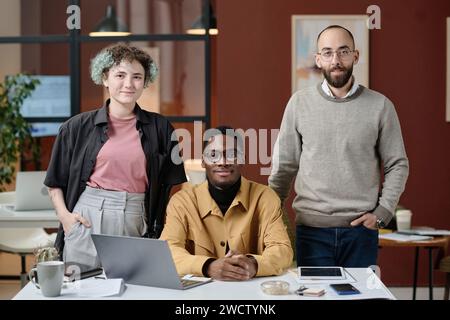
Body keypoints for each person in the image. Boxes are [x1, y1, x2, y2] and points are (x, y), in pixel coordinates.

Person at [269, 25, 409, 268]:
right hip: (311, 233)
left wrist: (383, 212)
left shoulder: (381, 106)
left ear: (356, 56)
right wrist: (269, 214)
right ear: (318, 59)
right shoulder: (299, 104)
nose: (336, 60)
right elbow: (284, 166)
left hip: (361, 233)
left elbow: (397, 164)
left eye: (343, 52)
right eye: (328, 52)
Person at [44, 43, 186, 268]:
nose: (129, 84)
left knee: (134, 289)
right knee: (83, 291)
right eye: (120, 75)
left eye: (137, 77)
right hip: (86, 218)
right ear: (105, 78)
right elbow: (54, 182)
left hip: (137, 217)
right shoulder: (76, 127)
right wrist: (65, 218)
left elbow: (171, 186)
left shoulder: (161, 128)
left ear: (145, 82)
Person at [160, 126, 293, 281]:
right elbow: (167, 252)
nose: (222, 162)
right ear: (203, 162)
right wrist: (208, 266)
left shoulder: (265, 197)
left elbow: (282, 250)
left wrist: (253, 264)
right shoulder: (182, 202)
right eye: (213, 154)